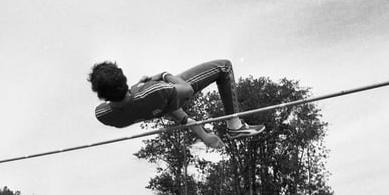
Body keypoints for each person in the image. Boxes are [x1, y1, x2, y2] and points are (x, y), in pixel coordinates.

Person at [89, 60, 265, 149]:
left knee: (165, 108)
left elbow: (171, 112)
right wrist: (164, 75)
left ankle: (226, 129)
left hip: (156, 106)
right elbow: (186, 89)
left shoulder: (103, 114)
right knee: (224, 67)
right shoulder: (154, 90)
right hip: (171, 93)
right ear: (123, 80)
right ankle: (235, 126)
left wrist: (204, 137)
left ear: (101, 95)